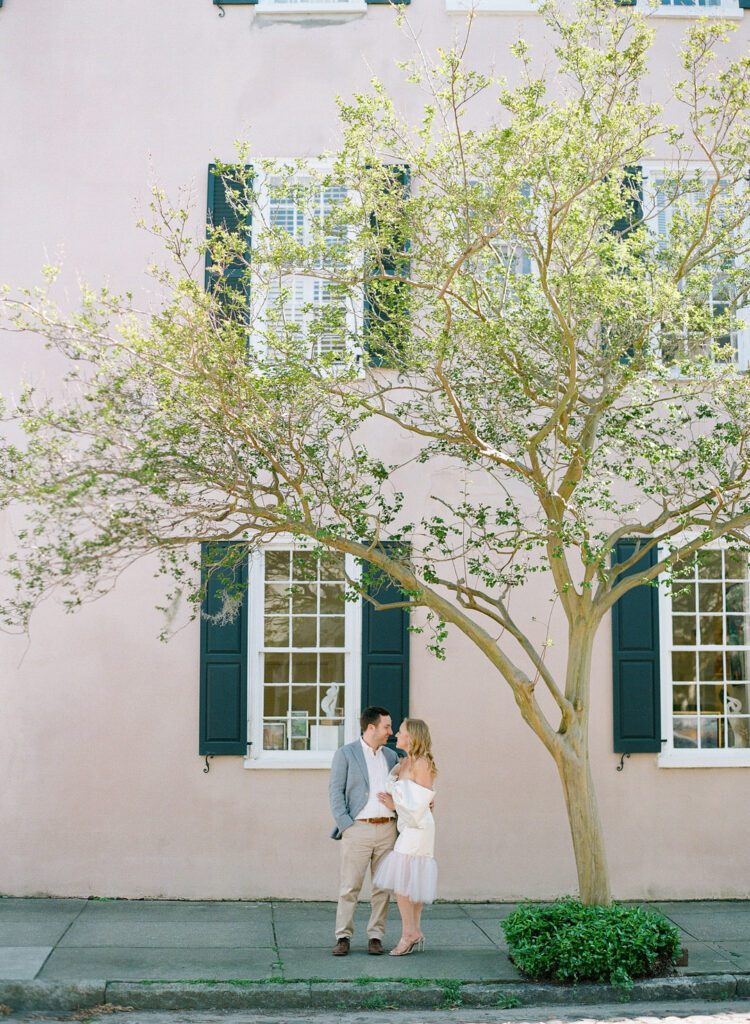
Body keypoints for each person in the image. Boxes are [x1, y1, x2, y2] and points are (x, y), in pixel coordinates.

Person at [328, 705, 399, 956]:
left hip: (387, 828)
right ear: (371, 727)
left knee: (382, 887)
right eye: (387, 726)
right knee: (350, 886)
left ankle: (376, 936)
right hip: (357, 829)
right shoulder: (346, 754)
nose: (391, 731)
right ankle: (343, 936)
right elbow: (335, 791)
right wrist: (346, 824)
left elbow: (401, 789)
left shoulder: (391, 756)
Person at [372, 718, 437, 956]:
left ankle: (409, 933)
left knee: (403, 881)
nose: (396, 735)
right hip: (409, 825)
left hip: (418, 828)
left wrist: (394, 804)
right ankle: (414, 930)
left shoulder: (422, 763)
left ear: (411, 737)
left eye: (400, 732)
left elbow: (422, 802)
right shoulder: (404, 763)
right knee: (410, 880)